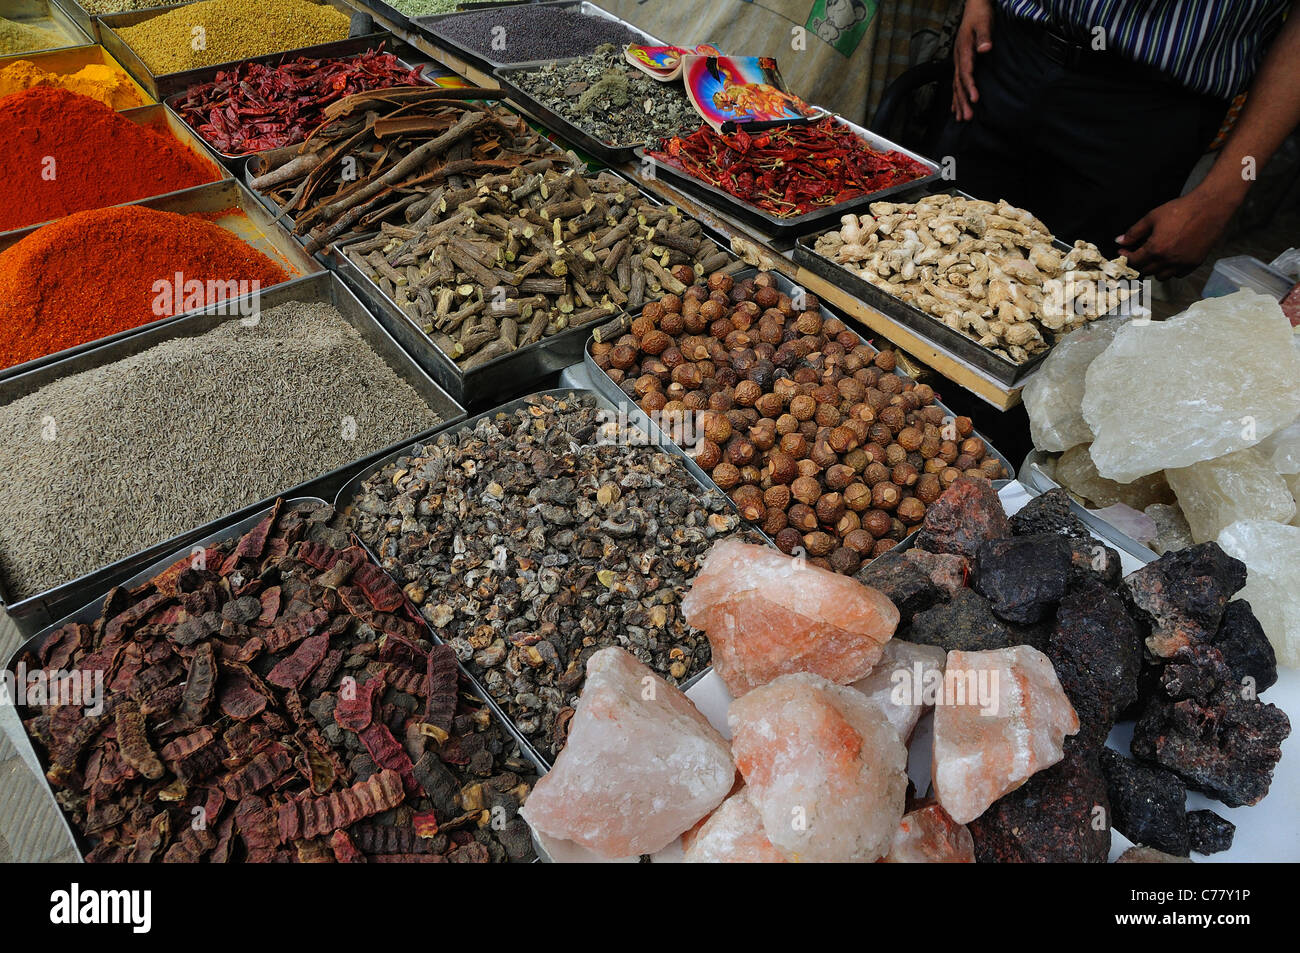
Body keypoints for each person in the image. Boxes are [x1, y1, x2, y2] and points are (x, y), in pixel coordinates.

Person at [940, 0, 1300, 278]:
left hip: (1147, 112)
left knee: (1068, 305)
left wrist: (1220, 197)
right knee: (936, 249)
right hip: (1009, 53)